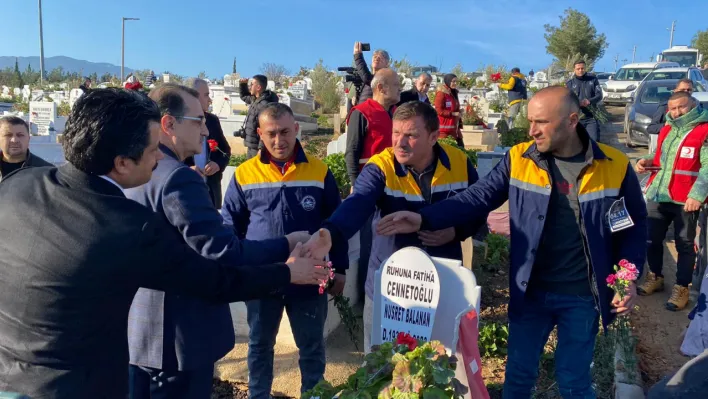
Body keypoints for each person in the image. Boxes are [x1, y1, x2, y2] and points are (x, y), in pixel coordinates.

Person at [0, 88, 329, 398]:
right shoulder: (127, 226)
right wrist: (288, 272)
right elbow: (215, 280)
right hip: (77, 385)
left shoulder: (18, 185)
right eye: (152, 150)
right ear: (122, 163)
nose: (158, 159)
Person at [376, 86, 647, 398]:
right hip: (530, 292)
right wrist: (425, 218)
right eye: (530, 121)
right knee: (518, 378)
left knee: (574, 382)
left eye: (541, 122)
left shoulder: (613, 165)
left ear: (572, 120)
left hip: (582, 297)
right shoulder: (519, 158)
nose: (531, 130)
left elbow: (631, 225)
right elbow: (476, 197)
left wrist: (628, 276)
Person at [123, 85, 315, 398]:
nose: (206, 129)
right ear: (169, 124)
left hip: (141, 333)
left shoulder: (136, 170)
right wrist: (287, 245)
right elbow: (223, 249)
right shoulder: (177, 177)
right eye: (198, 120)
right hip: (178, 336)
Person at [324, 101, 485, 353]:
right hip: (391, 287)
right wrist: (330, 233)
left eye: (411, 135)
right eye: (396, 133)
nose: (400, 142)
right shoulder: (381, 166)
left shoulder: (460, 163)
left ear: (433, 137)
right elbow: (357, 202)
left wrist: (455, 232)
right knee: (381, 367)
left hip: (443, 284)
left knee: (439, 365)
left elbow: (478, 210)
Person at [221, 103, 348, 398]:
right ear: (259, 135)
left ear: (296, 130)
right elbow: (230, 225)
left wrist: (340, 268)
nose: (279, 141)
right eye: (272, 134)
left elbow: (337, 222)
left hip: (310, 277)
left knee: (312, 346)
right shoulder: (244, 174)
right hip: (263, 277)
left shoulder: (319, 170)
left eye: (285, 132)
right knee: (260, 345)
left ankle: (314, 395)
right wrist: (239, 268)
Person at [636, 91, 708, 311]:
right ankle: (655, 276)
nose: (676, 112)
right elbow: (660, 158)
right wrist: (645, 161)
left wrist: (697, 195)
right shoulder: (667, 128)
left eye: (681, 107)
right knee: (651, 239)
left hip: (685, 200)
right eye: (672, 108)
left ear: (693, 106)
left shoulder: (703, 131)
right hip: (659, 194)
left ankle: (682, 287)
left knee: (684, 245)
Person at [345, 68, 400, 298]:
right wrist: (356, 185)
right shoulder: (362, 112)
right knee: (370, 240)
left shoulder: (394, 114)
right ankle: (367, 294)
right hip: (370, 187)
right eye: (396, 85)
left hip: (392, 186)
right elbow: (352, 152)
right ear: (381, 87)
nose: (400, 89)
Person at [185, 78, 232, 208]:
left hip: (212, 192)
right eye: (206, 95)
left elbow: (226, 151)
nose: (209, 99)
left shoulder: (213, 121)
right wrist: (186, 170)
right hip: (188, 193)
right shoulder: (179, 123)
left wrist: (217, 164)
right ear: (192, 96)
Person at [647, 79, 695, 154]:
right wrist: (665, 125)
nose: (686, 92)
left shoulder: (698, 107)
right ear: (675, 91)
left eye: (689, 90)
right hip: (669, 148)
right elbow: (651, 128)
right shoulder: (665, 107)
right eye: (682, 90)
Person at [238, 75, 279, 159]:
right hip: (252, 146)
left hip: (257, 147)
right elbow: (244, 96)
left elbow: (266, 128)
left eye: (252, 84)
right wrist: (243, 84)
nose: (250, 87)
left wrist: (261, 148)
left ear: (258, 87)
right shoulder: (255, 100)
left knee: (255, 171)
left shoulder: (264, 105)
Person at [0, 116, 52, 181]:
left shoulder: (46, 171)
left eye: (20, 135)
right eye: (8, 135)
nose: (14, 140)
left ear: (29, 139)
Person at [566, 60, 603, 142]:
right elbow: (567, 100)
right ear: (574, 70)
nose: (580, 70)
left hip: (591, 117)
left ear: (585, 68)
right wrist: (576, 103)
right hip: (576, 119)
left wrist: (589, 101)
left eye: (582, 68)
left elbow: (599, 95)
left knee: (593, 141)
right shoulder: (569, 84)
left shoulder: (593, 80)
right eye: (578, 69)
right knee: (576, 144)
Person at [434, 73, 463, 147]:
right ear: (448, 81)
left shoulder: (454, 93)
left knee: (460, 149)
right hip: (444, 129)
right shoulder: (441, 93)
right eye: (453, 81)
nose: (455, 83)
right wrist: (453, 114)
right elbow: (439, 110)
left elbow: (454, 108)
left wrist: (459, 112)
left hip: (454, 128)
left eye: (456, 81)